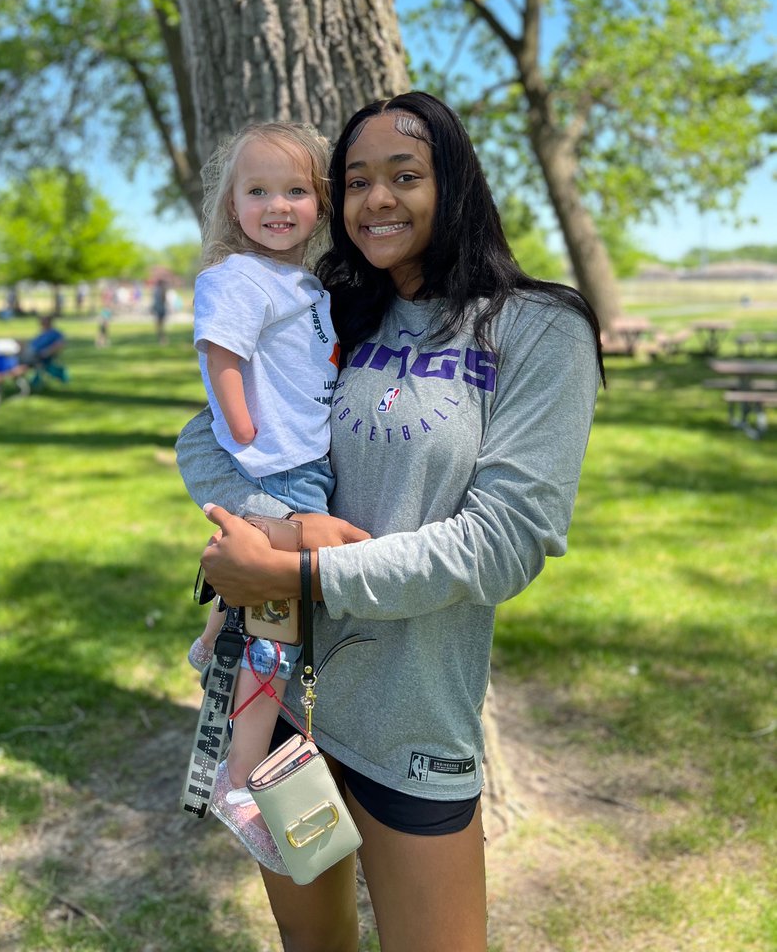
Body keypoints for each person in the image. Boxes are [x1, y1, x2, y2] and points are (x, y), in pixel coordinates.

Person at [176, 92, 604, 952]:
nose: (377, 200)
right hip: (284, 707)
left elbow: (504, 543)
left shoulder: (536, 329)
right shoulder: (327, 308)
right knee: (316, 946)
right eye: (357, 181)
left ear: (457, 185)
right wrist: (285, 533)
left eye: (405, 176)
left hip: (413, 724)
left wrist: (300, 572)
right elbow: (204, 441)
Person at [186, 119, 340, 873]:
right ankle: (240, 780)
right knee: (277, 644)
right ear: (232, 203)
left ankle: (215, 638)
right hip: (276, 469)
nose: (277, 206)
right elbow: (222, 349)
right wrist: (237, 421)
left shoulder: (304, 283)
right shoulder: (236, 277)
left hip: (303, 467)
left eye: (296, 191)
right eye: (258, 191)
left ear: (319, 203)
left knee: (260, 612)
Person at [19, 315, 68, 386]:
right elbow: (32, 344)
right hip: (31, 354)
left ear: (50, 322)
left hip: (39, 356)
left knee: (19, 363)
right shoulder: (41, 334)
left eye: (44, 322)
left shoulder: (55, 333)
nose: (42, 323)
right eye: (41, 322)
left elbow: (60, 344)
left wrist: (48, 352)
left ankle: (21, 381)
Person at [152, 278, 168, 344]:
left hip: (159, 309)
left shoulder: (156, 290)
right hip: (161, 309)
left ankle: (161, 338)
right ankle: (162, 339)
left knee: (159, 325)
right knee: (161, 325)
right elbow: (164, 299)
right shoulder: (162, 290)